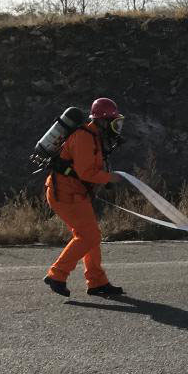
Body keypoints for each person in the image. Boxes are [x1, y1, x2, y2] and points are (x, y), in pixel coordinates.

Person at [43, 97, 125, 297]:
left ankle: (97, 282)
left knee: (91, 236)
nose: (116, 128)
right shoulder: (84, 137)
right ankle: (57, 274)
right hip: (64, 194)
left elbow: (88, 169)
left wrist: (104, 178)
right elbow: (86, 172)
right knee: (89, 236)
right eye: (113, 122)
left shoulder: (95, 137)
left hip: (76, 194)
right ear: (102, 121)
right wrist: (109, 178)